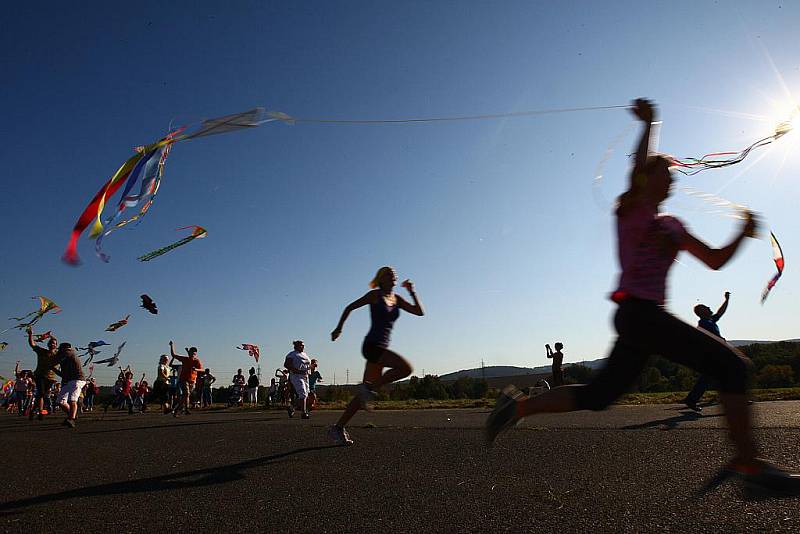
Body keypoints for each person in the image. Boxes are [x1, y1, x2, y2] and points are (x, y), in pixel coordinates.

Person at [485, 98, 800, 495]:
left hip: (644, 317)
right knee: (732, 367)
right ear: (648, 178)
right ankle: (750, 467)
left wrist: (742, 231)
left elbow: (715, 260)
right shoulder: (631, 210)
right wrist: (651, 124)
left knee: (600, 396)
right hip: (638, 312)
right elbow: (638, 170)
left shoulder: (673, 225)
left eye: (671, 175)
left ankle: (516, 407)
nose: (672, 179)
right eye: (664, 173)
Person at [329, 267, 425, 445]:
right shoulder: (374, 295)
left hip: (381, 348)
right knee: (406, 368)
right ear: (382, 279)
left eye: (394, 273)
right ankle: (368, 390)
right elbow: (349, 307)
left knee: (364, 394)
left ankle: (338, 427)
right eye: (389, 273)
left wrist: (412, 292)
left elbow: (419, 312)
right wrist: (339, 328)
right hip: (372, 346)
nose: (393, 275)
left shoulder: (397, 299)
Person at [682, 292, 731, 412]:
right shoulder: (703, 323)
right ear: (701, 312)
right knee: (728, 374)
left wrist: (726, 300)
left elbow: (720, 312)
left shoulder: (710, 321)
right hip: (712, 356)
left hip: (714, 355)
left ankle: (691, 399)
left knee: (712, 377)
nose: (709, 308)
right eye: (706, 307)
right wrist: (722, 341)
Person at [26, 327, 59, 421]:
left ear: (56, 345)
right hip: (40, 375)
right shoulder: (42, 352)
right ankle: (41, 412)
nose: (52, 344)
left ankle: (33, 410)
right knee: (41, 394)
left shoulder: (58, 355)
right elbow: (32, 344)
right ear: (48, 344)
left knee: (42, 395)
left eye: (54, 343)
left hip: (51, 378)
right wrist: (30, 335)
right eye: (51, 343)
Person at [53, 343, 86, 428]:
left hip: (77, 380)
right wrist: (52, 368)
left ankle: (72, 419)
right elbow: (62, 374)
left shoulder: (69, 353)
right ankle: (71, 415)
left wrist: (50, 356)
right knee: (60, 401)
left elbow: (55, 359)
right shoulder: (65, 358)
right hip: (68, 380)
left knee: (72, 400)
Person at [169, 342, 202, 416]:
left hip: (192, 381)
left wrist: (196, 369)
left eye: (193, 353)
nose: (191, 354)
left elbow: (202, 369)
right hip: (183, 380)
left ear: (195, 354)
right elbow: (173, 354)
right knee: (186, 394)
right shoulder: (185, 359)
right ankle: (186, 409)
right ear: (189, 353)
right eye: (190, 352)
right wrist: (172, 346)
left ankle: (177, 409)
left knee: (185, 396)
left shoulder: (196, 361)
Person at [284, 341, 311, 419]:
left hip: (305, 376)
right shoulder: (292, 354)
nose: (303, 347)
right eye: (301, 346)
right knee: (302, 393)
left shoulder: (305, 355)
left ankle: (292, 407)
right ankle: (304, 412)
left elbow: (306, 365)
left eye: (303, 346)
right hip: (296, 376)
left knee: (305, 395)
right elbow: (286, 364)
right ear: (296, 346)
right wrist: (295, 370)